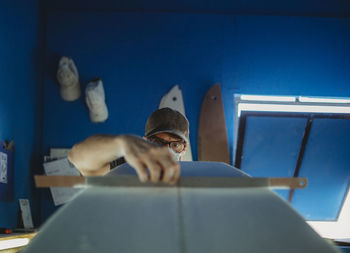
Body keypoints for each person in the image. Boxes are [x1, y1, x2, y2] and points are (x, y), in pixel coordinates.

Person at [68, 107, 189, 184]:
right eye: (157, 142)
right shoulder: (123, 168)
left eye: (176, 145)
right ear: (144, 141)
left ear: (184, 149)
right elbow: (76, 157)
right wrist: (121, 144)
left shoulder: (193, 178)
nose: (166, 150)